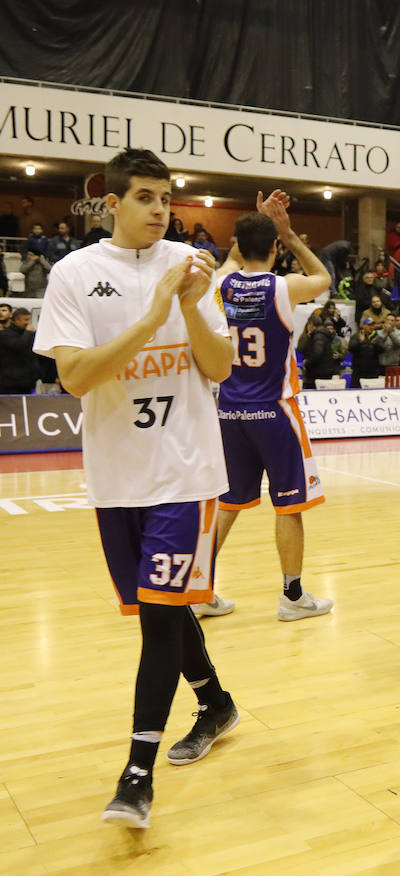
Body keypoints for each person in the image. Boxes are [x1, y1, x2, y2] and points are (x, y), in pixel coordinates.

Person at [33, 148, 238, 829]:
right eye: (145, 197)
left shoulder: (193, 269)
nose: (159, 210)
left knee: (157, 616)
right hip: (118, 474)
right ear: (111, 203)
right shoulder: (73, 273)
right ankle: (215, 701)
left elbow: (220, 368)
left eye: (165, 197)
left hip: (184, 469)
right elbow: (77, 378)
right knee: (164, 605)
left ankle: (136, 776)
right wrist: (152, 318)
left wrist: (190, 307)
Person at [206, 193, 334, 621]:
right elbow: (322, 276)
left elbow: (229, 262)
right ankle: (292, 596)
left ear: (237, 245)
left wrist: (251, 233)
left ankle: (198, 589)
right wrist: (288, 231)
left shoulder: (221, 284)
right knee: (289, 505)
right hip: (275, 412)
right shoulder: (283, 287)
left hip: (229, 412)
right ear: (275, 248)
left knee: (228, 503)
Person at [0, 307, 40, 393]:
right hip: (10, 382)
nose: (28, 323)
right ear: (16, 320)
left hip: (27, 381)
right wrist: (28, 333)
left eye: (29, 320)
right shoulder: (5, 334)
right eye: (25, 320)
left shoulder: (29, 334)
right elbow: (19, 346)